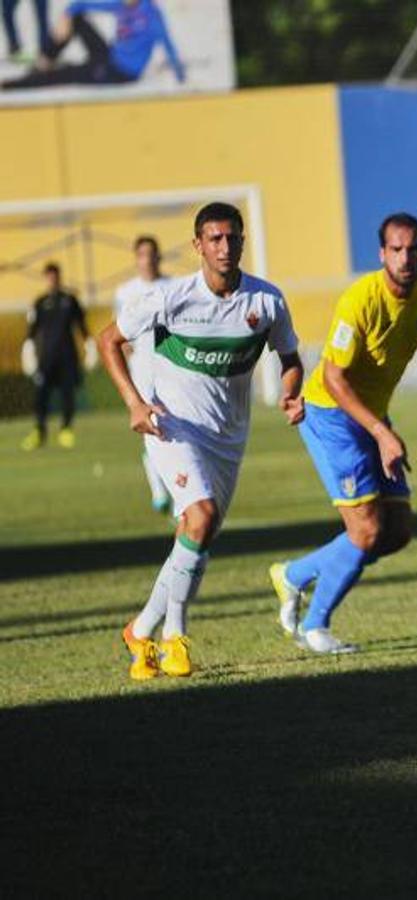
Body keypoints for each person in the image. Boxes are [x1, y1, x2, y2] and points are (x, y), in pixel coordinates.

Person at [98, 202, 304, 681]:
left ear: (243, 241)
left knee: (195, 532)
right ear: (197, 246)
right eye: (214, 239)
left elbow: (289, 357)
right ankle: (175, 634)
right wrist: (134, 403)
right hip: (171, 425)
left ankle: (139, 629)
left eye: (232, 238)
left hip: (228, 437)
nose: (225, 247)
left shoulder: (266, 302)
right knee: (202, 516)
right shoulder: (171, 299)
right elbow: (108, 341)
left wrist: (291, 392)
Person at [271, 213, 417, 654]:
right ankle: (316, 626)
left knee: (397, 531)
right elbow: (334, 378)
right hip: (331, 415)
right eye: (396, 249)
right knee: (367, 530)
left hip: (371, 416)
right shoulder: (360, 300)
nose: (405, 258)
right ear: (382, 254)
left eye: (414, 249)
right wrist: (381, 433)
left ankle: (294, 575)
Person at [113, 234, 172, 513]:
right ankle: (160, 491)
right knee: (151, 428)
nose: (147, 260)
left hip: (172, 368)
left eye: (151, 253)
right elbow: (118, 335)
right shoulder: (125, 292)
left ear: (159, 256)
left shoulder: (173, 287)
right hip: (142, 369)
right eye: (142, 255)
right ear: (136, 259)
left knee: (173, 427)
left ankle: (173, 489)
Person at [2, 0, 183, 91]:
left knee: (64, 74)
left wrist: (180, 77)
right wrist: (67, 15)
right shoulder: (120, 4)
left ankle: (10, 85)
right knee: (76, 19)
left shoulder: (151, 16)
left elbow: (169, 47)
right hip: (109, 56)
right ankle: (45, 59)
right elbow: (81, 4)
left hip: (119, 74)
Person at [20, 261, 88, 450]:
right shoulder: (40, 302)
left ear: (59, 277)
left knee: (68, 394)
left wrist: (89, 344)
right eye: (49, 276)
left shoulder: (70, 300)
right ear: (45, 278)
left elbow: (82, 326)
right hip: (46, 358)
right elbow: (32, 329)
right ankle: (38, 431)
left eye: (55, 276)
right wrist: (27, 347)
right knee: (41, 395)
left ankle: (66, 429)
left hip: (67, 356)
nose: (52, 280)